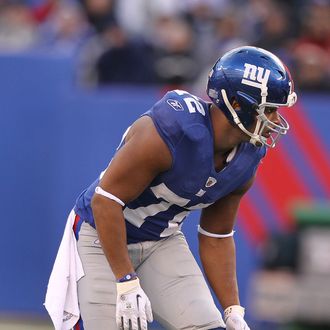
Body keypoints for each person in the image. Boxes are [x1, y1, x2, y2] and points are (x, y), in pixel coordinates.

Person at [45, 46, 297, 330]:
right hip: (100, 237)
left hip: (161, 242)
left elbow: (217, 235)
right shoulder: (173, 129)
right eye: (269, 110)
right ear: (236, 104)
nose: (275, 120)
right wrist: (126, 281)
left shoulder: (249, 155)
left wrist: (232, 309)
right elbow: (105, 201)